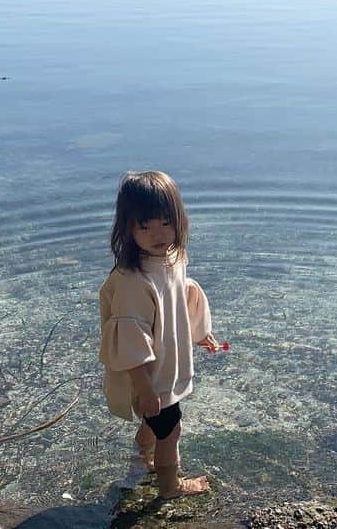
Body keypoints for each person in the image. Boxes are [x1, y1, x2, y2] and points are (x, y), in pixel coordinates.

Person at [98, 170, 219, 499]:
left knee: (155, 423)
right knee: (172, 430)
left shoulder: (173, 258)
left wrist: (198, 331)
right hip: (151, 376)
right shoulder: (133, 280)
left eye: (166, 222)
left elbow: (180, 296)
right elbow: (130, 339)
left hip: (167, 366)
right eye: (145, 226)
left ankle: (141, 459)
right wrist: (144, 387)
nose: (158, 234)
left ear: (179, 219)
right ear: (128, 227)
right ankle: (171, 486)